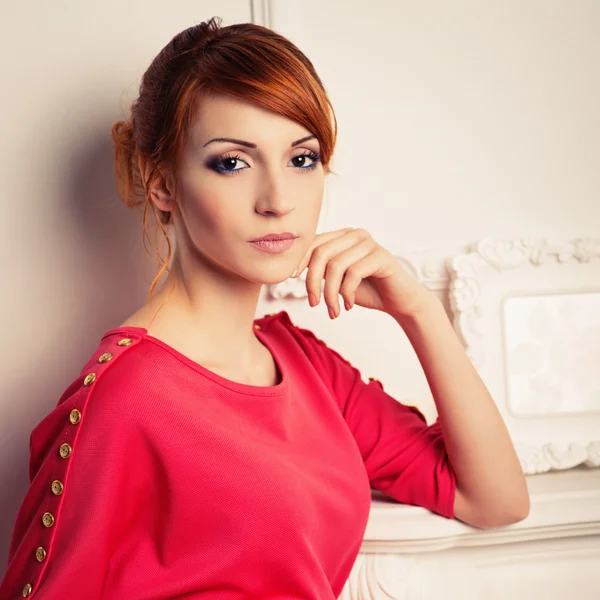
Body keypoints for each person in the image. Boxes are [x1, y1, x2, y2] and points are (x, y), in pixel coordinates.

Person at [0, 16, 530, 600]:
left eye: (301, 159)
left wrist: (419, 311)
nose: (279, 201)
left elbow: (495, 500)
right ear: (162, 184)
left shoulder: (304, 363)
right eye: (232, 162)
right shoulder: (125, 397)